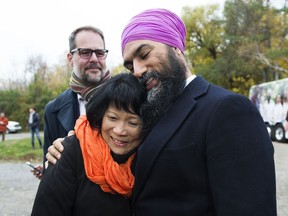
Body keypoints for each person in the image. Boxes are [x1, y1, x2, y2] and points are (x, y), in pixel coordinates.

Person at [48, 8, 277, 215]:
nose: (137, 71)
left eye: (144, 54)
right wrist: (70, 146)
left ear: (176, 49)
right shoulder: (151, 109)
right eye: (130, 65)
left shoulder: (227, 109)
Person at [31, 73, 146, 215]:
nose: (120, 131)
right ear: (100, 117)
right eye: (112, 118)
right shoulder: (69, 153)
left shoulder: (149, 158)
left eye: (133, 122)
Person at [33, 25, 111, 178]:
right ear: (70, 59)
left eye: (100, 53)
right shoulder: (53, 109)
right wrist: (48, 169)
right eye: (85, 52)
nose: (94, 59)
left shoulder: (127, 97)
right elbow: (50, 167)